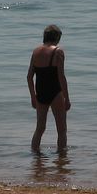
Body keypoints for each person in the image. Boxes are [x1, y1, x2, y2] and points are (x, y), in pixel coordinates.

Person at [26, 24, 71, 153]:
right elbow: (61, 77)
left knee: (40, 128)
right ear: (57, 37)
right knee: (61, 129)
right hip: (55, 92)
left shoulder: (36, 52)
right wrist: (67, 98)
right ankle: (61, 157)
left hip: (40, 92)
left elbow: (29, 77)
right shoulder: (58, 52)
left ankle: (35, 155)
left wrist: (33, 97)